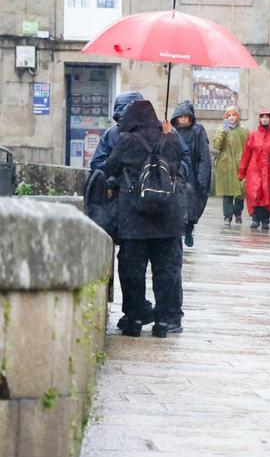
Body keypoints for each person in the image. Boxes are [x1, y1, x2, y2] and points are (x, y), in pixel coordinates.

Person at [103, 100, 188, 338]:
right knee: (166, 271)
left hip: (134, 217)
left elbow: (110, 168)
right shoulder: (170, 139)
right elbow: (180, 164)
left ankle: (134, 318)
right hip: (167, 217)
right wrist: (167, 136)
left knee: (132, 270)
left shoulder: (126, 141)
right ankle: (163, 321)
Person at [168, 100, 211, 248]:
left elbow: (204, 156)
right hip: (176, 174)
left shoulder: (198, 131)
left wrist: (202, 178)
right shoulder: (172, 132)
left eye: (187, 116)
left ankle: (189, 230)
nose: (184, 119)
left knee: (192, 206)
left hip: (193, 176)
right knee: (178, 205)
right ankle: (179, 230)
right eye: (181, 116)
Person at [238, 109, 270, 231]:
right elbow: (246, 154)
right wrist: (242, 171)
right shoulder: (253, 135)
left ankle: (265, 220)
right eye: (262, 117)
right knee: (255, 194)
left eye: (267, 117)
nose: (265, 119)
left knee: (269, 195)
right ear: (259, 119)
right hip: (255, 170)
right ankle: (255, 218)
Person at [90, 91, 145, 172]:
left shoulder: (150, 133)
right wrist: (114, 161)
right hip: (115, 182)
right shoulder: (111, 133)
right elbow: (96, 165)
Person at [212, 106, 248, 226]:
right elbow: (217, 146)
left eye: (234, 115)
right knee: (227, 192)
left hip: (240, 164)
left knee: (240, 191)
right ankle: (227, 216)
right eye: (229, 116)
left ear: (237, 116)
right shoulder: (221, 129)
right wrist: (223, 133)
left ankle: (237, 213)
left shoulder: (243, 130)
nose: (231, 118)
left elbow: (247, 147)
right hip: (225, 165)